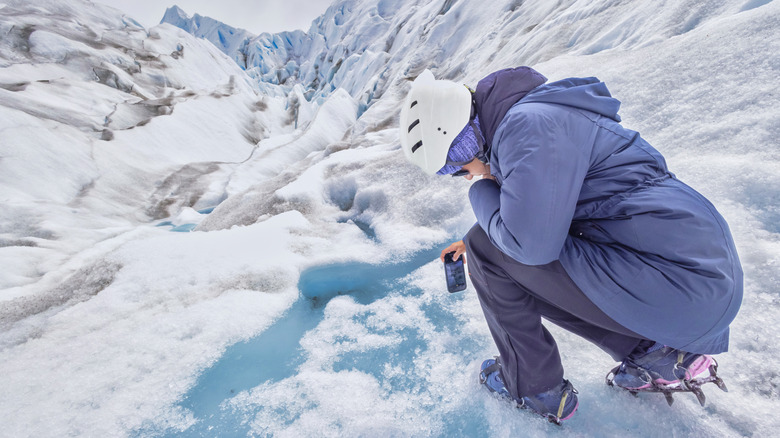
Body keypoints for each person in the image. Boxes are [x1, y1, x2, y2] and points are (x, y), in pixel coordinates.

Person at [398, 67, 743, 423]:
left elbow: (527, 247)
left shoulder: (527, 127)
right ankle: (655, 352)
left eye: (453, 168)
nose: (462, 176)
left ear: (462, 140)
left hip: (681, 286)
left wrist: (482, 189)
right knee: (489, 244)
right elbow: (546, 212)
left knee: (488, 249)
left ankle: (534, 387)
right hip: (696, 277)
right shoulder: (540, 116)